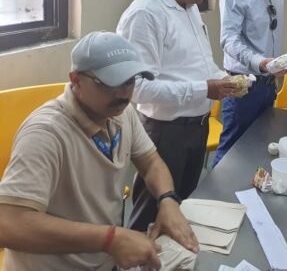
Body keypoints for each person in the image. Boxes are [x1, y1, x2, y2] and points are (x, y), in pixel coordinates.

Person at [0, 31, 197, 271]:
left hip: (102, 260)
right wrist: (109, 239)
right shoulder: (46, 134)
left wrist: (168, 200)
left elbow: (151, 162)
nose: (123, 93)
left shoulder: (122, 114)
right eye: (110, 83)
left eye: (130, 81)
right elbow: (8, 223)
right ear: (76, 80)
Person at [117, 0, 238, 232]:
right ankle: (137, 255)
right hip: (165, 134)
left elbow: (201, 63)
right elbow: (138, 89)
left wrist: (224, 79)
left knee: (183, 209)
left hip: (197, 127)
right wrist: (204, 89)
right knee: (152, 214)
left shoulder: (189, 7)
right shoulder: (145, 14)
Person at [212, 0, 286, 166]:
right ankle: (219, 190)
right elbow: (229, 40)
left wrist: (277, 66)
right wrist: (260, 62)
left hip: (268, 85)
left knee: (259, 146)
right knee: (231, 150)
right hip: (242, 85)